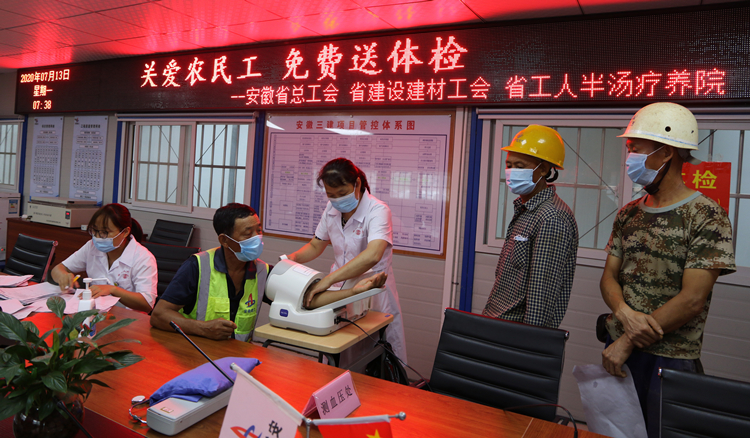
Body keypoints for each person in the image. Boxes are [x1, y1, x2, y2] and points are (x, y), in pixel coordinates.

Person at [600, 102, 736, 437]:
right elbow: (609, 277)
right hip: (618, 352)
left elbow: (692, 299)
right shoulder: (628, 214)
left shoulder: (706, 215)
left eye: (636, 149)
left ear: (666, 153)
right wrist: (624, 313)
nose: (629, 158)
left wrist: (628, 340)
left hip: (670, 358)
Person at [150, 203, 386, 341]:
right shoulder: (197, 267)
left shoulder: (263, 272)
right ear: (225, 240)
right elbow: (159, 315)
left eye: (259, 230)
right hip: (195, 351)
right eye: (248, 233)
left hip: (238, 359)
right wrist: (203, 329)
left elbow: (309, 299)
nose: (257, 238)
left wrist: (355, 292)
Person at [287, 158, 408, 363]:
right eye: (331, 195)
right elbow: (316, 245)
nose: (337, 200)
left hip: (371, 293)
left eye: (342, 193)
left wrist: (328, 280)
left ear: (357, 183)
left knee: (373, 359)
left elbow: (372, 255)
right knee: (338, 353)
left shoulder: (377, 210)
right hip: (340, 292)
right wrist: (292, 258)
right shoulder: (331, 209)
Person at [482, 125, 578, 328]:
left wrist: (528, 342)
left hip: (516, 333)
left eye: (520, 166)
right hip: (498, 323)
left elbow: (540, 297)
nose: (511, 172)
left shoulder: (551, 217)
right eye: (509, 165)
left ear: (543, 169)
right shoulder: (526, 209)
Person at [50, 203, 157, 313]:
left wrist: (113, 290)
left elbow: (147, 303)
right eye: (95, 231)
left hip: (128, 318)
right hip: (96, 313)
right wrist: (63, 276)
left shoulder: (143, 258)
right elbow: (58, 269)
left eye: (105, 232)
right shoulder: (91, 247)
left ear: (125, 232)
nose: (98, 237)